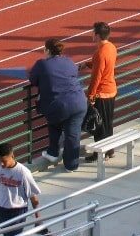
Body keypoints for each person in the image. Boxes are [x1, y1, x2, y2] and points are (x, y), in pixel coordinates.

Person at [28, 37, 88, 172]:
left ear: (47, 50)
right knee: (73, 134)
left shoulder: (42, 64)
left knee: (54, 122)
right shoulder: (68, 61)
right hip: (79, 101)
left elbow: (33, 79)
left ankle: (53, 152)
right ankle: (71, 165)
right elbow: (74, 73)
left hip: (58, 104)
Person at [83, 22, 117, 162]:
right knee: (108, 122)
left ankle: (100, 153)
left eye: (93, 32)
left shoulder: (99, 53)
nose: (92, 34)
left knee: (99, 124)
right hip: (111, 90)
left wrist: (90, 95)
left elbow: (96, 77)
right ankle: (110, 150)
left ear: (97, 35)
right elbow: (105, 64)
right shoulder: (111, 47)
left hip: (101, 93)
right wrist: (89, 64)